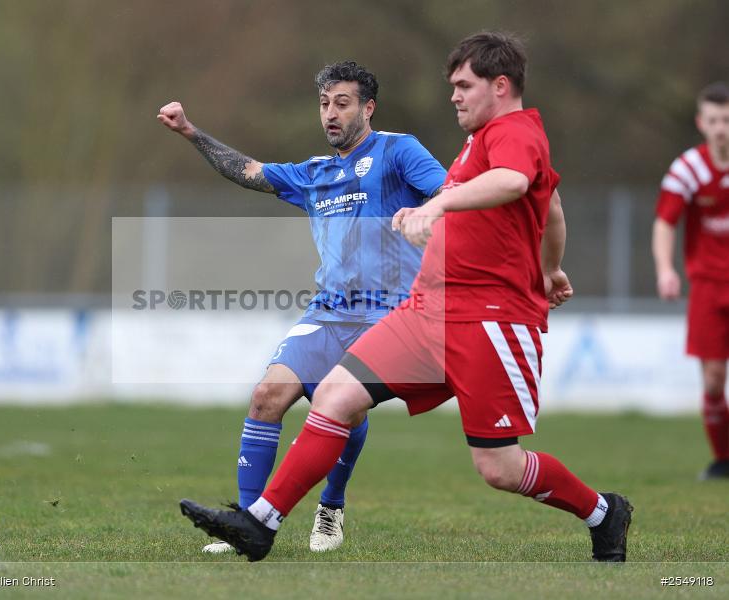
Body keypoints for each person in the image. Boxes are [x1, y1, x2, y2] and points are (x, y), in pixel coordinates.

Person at [180, 31, 633, 563]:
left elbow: (517, 182)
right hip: (424, 311)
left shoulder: (513, 132)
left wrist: (437, 210)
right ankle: (260, 522)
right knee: (334, 398)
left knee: (500, 469)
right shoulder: (476, 143)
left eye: (464, 85)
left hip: (487, 319)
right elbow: (548, 200)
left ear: (501, 85)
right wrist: (552, 267)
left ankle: (604, 512)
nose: (454, 96)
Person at [158, 61, 447, 552]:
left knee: (344, 409)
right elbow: (247, 171)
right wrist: (190, 132)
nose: (331, 114)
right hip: (329, 312)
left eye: (342, 103)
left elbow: (450, 195)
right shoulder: (314, 173)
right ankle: (245, 525)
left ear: (368, 107)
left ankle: (330, 507)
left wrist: (426, 214)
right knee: (267, 397)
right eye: (324, 104)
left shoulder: (399, 151)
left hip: (391, 315)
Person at [653, 82, 729, 480]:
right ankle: (723, 460)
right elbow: (665, 223)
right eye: (714, 120)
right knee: (714, 381)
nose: (721, 129)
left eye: (727, 120)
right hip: (708, 286)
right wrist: (666, 269)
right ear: (702, 123)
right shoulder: (688, 169)